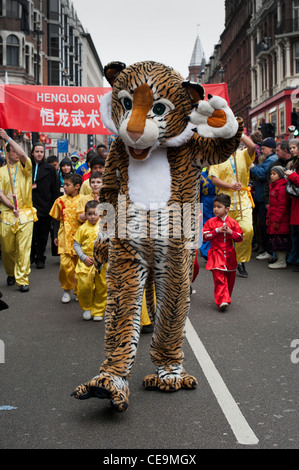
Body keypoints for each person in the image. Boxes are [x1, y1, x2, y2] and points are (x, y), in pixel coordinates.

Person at [209, 133, 255, 278]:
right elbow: (214, 180)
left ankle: (241, 260)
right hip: (224, 201)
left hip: (243, 200)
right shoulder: (218, 157)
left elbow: (253, 146)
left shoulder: (243, 154)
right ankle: (223, 260)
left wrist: (237, 131)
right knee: (223, 234)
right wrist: (230, 185)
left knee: (247, 230)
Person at [0, 128, 37, 292]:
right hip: (7, 215)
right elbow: (0, 193)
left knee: (23, 249)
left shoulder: (25, 168)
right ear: (7, 153)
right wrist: (11, 206)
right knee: (7, 250)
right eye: (12, 150)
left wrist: (8, 138)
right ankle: (11, 273)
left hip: (25, 214)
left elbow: (23, 155)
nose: (16, 152)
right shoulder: (1, 171)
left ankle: (22, 279)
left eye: (16, 149)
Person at [202, 193, 243, 311]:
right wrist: (216, 230)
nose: (215, 209)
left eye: (219, 207)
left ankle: (226, 297)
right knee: (219, 278)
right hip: (216, 254)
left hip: (230, 255)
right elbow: (205, 236)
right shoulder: (210, 222)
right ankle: (222, 300)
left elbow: (239, 238)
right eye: (214, 206)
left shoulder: (233, 223)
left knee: (230, 280)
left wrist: (231, 232)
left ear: (227, 209)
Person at [49, 173, 83, 303]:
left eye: (68, 185)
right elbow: (56, 220)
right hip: (64, 236)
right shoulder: (60, 200)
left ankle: (79, 290)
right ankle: (66, 289)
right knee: (65, 266)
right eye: (64, 184)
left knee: (80, 267)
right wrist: (55, 235)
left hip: (80, 238)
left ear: (77, 186)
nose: (65, 187)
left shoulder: (83, 200)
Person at [74, 200, 107, 321]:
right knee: (84, 286)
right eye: (89, 214)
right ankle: (87, 307)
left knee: (101, 286)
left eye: (95, 213)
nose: (92, 216)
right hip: (86, 261)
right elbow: (76, 245)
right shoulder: (82, 228)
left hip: (101, 261)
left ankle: (98, 310)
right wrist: (83, 257)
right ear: (85, 214)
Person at [30, 142, 60, 269]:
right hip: (29, 205)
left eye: (41, 152)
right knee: (30, 234)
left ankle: (40, 257)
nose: (39, 154)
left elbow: (55, 188)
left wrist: (54, 206)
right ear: (32, 153)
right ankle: (31, 256)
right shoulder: (26, 166)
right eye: (37, 151)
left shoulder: (50, 169)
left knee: (43, 235)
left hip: (45, 205)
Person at [250, 137, 278, 261]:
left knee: (264, 225)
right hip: (261, 196)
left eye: (264, 148)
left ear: (271, 148)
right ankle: (264, 247)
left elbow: (261, 173)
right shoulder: (270, 159)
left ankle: (268, 249)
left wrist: (251, 166)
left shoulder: (271, 160)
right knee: (261, 224)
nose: (262, 150)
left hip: (263, 197)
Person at [266, 166, 291, 269]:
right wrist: (268, 217)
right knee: (276, 239)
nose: (272, 176)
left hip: (280, 220)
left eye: (274, 174)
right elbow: (272, 205)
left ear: (280, 175)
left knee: (280, 240)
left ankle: (282, 261)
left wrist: (276, 220)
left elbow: (282, 206)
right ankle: (279, 260)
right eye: (271, 174)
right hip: (274, 218)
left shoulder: (281, 188)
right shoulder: (274, 186)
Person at [285, 143, 299, 272]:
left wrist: (291, 175)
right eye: (290, 148)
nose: (292, 150)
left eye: (294, 148)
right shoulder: (294, 163)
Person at [199, 166, 216, 260]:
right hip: (205, 201)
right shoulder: (202, 176)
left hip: (218, 200)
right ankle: (205, 251)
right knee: (206, 225)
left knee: (217, 225)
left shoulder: (219, 175)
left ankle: (214, 250)